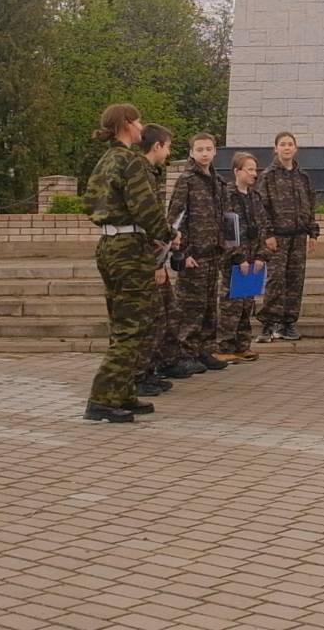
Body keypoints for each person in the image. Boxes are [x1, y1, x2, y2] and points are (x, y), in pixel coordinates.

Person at [82, 105, 177, 423]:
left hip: (110, 245)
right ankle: (102, 399)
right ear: (126, 125)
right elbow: (145, 206)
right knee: (134, 327)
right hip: (130, 249)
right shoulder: (132, 162)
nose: (141, 127)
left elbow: (89, 202)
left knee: (123, 323)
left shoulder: (106, 160)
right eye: (137, 121)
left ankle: (121, 392)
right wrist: (167, 234)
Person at [164, 133, 235, 374]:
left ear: (215, 152)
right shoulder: (187, 180)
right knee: (189, 306)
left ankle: (204, 350)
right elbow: (174, 218)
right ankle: (184, 353)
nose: (204, 153)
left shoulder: (218, 182)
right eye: (200, 149)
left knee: (208, 306)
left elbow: (224, 218)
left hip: (213, 253)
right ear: (191, 153)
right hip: (192, 254)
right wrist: (181, 252)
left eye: (209, 149)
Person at [137, 125, 195, 385]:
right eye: (168, 146)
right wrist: (157, 262)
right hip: (144, 257)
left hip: (153, 252)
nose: (169, 151)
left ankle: (159, 365)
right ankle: (142, 373)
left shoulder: (150, 173)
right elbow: (144, 221)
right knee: (152, 318)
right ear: (157, 146)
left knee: (167, 313)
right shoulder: (139, 173)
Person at [256, 132, 318, 343]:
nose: (286, 148)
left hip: (299, 236)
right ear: (275, 149)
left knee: (295, 280)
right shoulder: (268, 176)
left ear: (296, 148)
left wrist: (313, 232)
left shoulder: (303, 177)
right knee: (275, 279)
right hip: (278, 238)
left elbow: (310, 206)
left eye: (290, 144)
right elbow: (261, 208)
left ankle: (288, 323)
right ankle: (269, 323)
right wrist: (268, 234)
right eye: (282, 144)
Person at [212, 152, 272, 363]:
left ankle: (242, 344)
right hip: (234, 262)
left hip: (254, 259)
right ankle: (224, 346)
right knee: (231, 304)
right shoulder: (226, 195)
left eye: (255, 169)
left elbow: (264, 227)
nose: (254, 174)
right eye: (250, 169)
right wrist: (238, 258)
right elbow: (226, 231)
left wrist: (262, 256)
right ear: (237, 171)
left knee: (247, 303)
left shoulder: (255, 197)